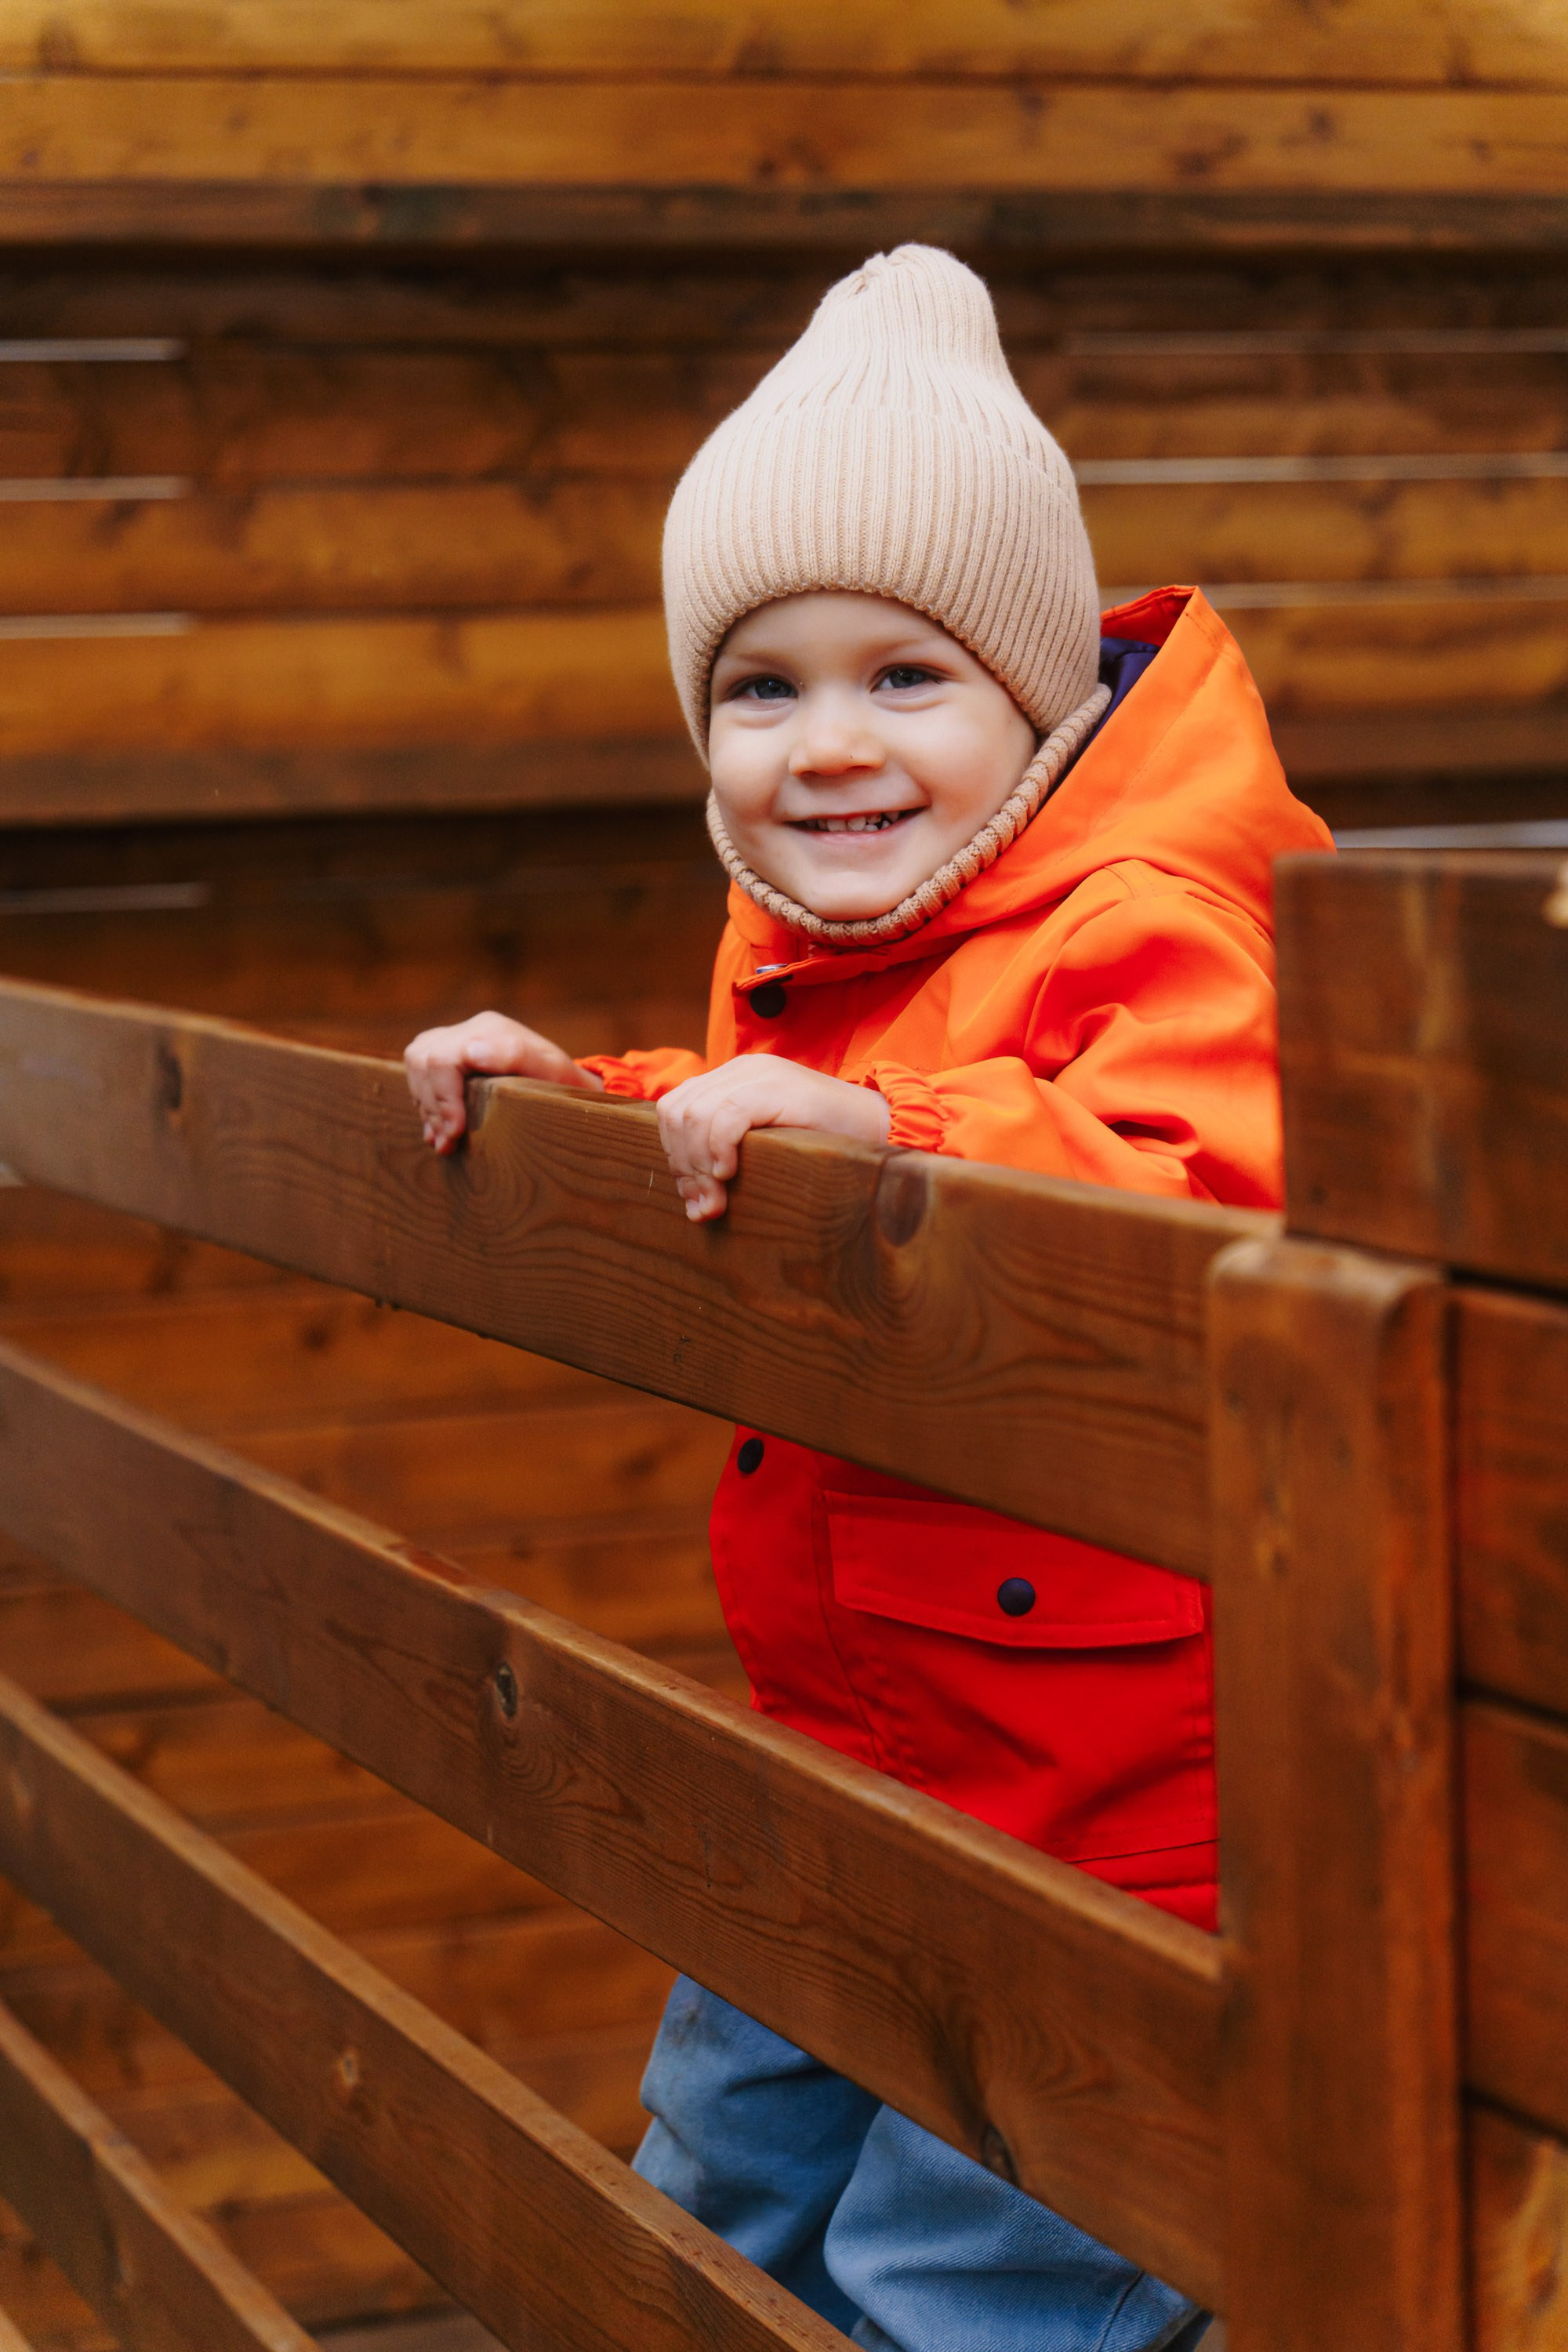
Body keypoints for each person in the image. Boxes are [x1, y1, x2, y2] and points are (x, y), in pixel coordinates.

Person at [405, 245, 1332, 2352]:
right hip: (851, 1762)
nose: (826, 748)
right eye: (762, 687)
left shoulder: (1153, 921)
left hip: (1116, 1845)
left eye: (904, 677)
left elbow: (1208, 1191)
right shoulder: (848, 925)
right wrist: (595, 1101)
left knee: (959, 2287)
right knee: (708, 2201)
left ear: (1030, 698)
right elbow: (777, 1113)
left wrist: (900, 1152)